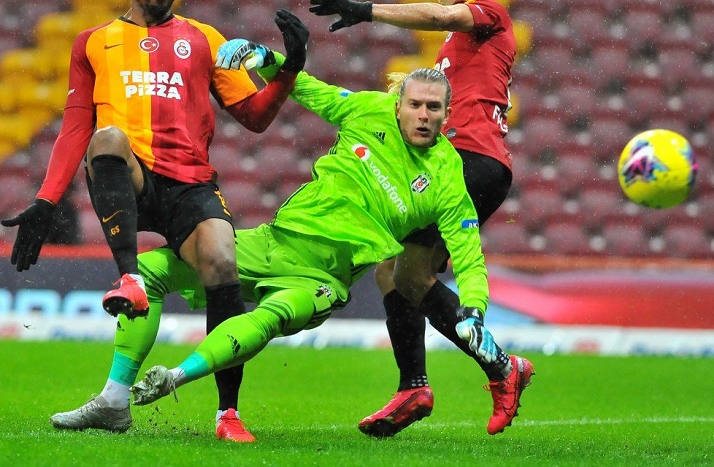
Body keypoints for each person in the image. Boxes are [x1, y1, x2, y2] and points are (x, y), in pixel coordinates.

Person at [122, 50, 533, 437]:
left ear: (448, 114)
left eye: (433, 108)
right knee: (148, 270)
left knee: (269, 317)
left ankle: (177, 376)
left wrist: (475, 310)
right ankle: (112, 396)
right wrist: (267, 59)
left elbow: (469, 257)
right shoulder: (367, 109)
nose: (423, 116)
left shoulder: (447, 179)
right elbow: (305, 87)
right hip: (272, 241)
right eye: (415, 105)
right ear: (398, 105)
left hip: (321, 279)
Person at [2, 0, 309, 442]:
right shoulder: (94, 42)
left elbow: (254, 117)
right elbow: (76, 126)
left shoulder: (206, 39)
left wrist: (289, 70)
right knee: (107, 136)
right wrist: (45, 199)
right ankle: (130, 279)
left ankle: (226, 414)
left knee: (221, 261)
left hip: (189, 183)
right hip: (131, 174)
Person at [309, 0, 520, 436]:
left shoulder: (491, 15)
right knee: (398, 273)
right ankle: (426, 385)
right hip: (450, 165)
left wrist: (365, 11)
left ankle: (486, 371)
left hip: (474, 163)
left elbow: (433, 16)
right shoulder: (448, 54)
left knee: (402, 272)